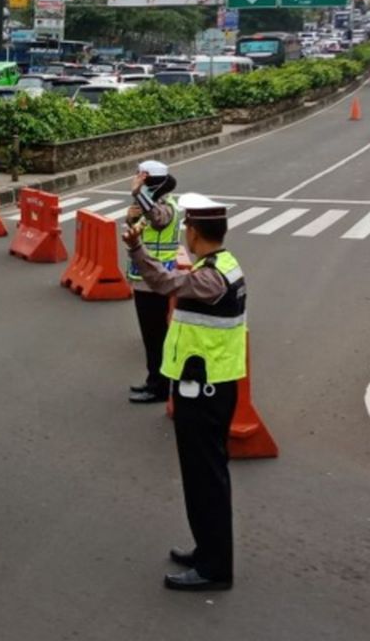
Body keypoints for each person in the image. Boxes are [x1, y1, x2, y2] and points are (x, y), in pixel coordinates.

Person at [123, 193, 247, 592]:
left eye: (187, 230)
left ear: (194, 232)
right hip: (209, 386)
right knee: (202, 476)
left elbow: (162, 282)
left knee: (205, 478)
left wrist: (135, 247)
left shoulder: (210, 277)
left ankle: (214, 567)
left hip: (206, 391)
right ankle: (207, 549)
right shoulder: (222, 265)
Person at [125, 160, 181, 404]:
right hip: (144, 279)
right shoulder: (148, 205)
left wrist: (138, 194)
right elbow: (144, 229)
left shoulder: (166, 206)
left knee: (156, 336)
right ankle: (152, 380)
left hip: (157, 281)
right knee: (150, 336)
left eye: (141, 179)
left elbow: (158, 220)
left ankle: (160, 387)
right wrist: (130, 219)